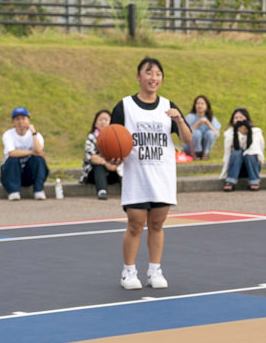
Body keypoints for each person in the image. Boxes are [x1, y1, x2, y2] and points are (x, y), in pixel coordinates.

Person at [109, 56, 192, 290]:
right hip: (137, 174)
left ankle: (155, 270)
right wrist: (114, 156)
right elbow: (112, 138)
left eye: (157, 73)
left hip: (161, 174)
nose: (153, 77)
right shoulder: (125, 106)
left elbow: (187, 140)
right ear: (138, 77)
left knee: (157, 223)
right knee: (135, 223)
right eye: (148, 72)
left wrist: (180, 120)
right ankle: (128, 272)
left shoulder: (169, 106)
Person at [0, 107, 48, 200]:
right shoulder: (8, 134)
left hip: (28, 174)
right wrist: (31, 152)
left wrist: (33, 133)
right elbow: (12, 153)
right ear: (13, 122)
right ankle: (13, 191)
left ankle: (39, 190)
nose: (20, 122)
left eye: (23, 118)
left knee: (39, 160)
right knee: (12, 160)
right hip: (12, 174)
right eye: (17, 119)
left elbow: (39, 151)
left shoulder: (37, 135)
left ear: (28, 121)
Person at [80, 108, 121, 200]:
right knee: (98, 165)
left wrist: (116, 164)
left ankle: (129, 190)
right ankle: (102, 191)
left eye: (106, 119)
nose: (103, 122)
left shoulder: (117, 136)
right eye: (100, 119)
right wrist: (106, 164)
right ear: (95, 123)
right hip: (93, 173)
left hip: (112, 170)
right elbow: (91, 156)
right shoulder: (91, 136)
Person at [220, 108, 264, 191]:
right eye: (236, 118)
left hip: (252, 166)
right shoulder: (229, 133)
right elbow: (235, 148)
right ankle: (230, 181)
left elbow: (252, 148)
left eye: (241, 117)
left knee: (249, 153)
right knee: (237, 152)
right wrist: (236, 132)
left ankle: (254, 181)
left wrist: (248, 132)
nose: (239, 120)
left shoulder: (256, 132)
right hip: (235, 168)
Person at [185, 95, 219, 160]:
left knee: (210, 133)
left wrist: (208, 123)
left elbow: (217, 134)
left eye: (202, 104)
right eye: (197, 103)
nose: (199, 106)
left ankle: (205, 154)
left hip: (204, 149)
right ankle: (193, 154)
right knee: (196, 133)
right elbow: (185, 133)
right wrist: (197, 124)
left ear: (207, 106)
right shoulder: (190, 117)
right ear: (195, 105)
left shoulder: (211, 118)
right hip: (190, 148)